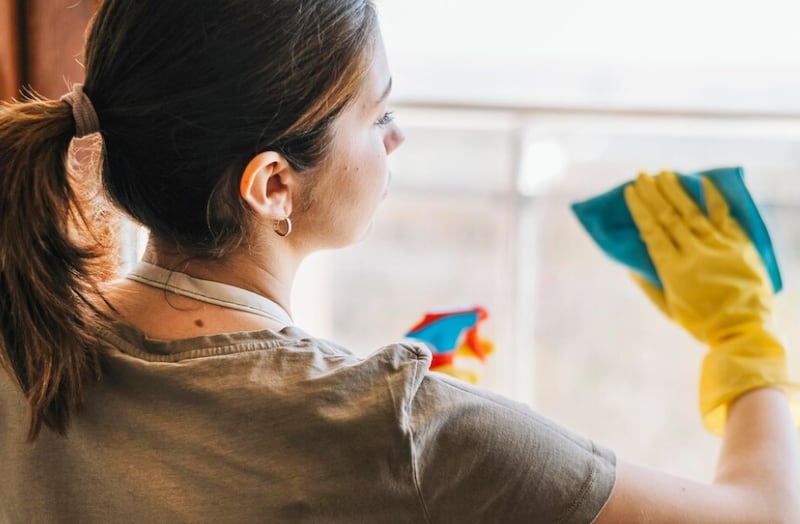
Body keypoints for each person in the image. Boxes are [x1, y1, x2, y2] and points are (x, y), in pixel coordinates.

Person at [0, 1, 797, 522]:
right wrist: (742, 337)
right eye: (379, 113)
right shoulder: (399, 429)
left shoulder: (19, 338)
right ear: (272, 184)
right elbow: (759, 513)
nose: (397, 138)